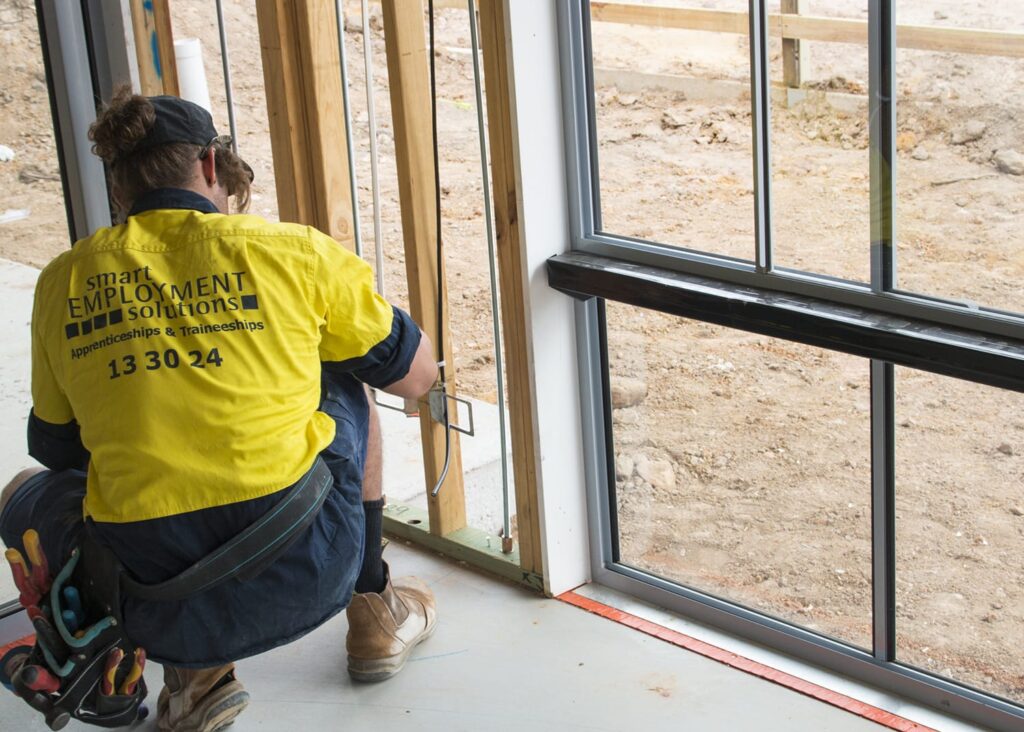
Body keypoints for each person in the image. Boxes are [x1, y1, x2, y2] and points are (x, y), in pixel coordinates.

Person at [0, 87, 438, 732]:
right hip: (311, 574)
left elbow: (60, 448)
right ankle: (374, 612)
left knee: (24, 495)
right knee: (345, 377)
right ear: (210, 164)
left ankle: (196, 678)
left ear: (120, 189)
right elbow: (417, 377)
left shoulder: (62, 281)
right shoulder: (294, 253)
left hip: (154, 606)